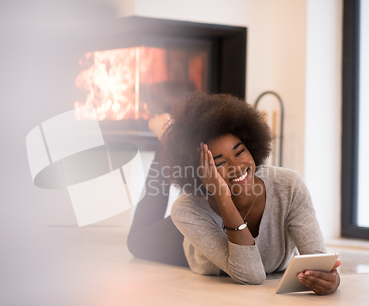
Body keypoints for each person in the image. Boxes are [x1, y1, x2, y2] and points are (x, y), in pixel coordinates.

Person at [127, 92, 340, 295]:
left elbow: (319, 261)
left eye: (240, 152)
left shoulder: (289, 186)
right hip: (196, 234)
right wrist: (223, 197)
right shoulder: (187, 210)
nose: (237, 166)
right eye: (219, 163)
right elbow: (252, 275)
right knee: (136, 241)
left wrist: (332, 279)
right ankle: (163, 141)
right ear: (202, 172)